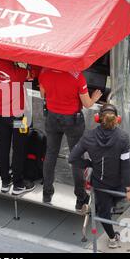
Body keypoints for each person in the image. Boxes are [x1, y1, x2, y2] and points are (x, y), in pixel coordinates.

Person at [68, 104, 130, 248]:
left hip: (99, 185)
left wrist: (89, 163)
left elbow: (72, 158)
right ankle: (109, 208)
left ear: (97, 119)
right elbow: (125, 165)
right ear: (117, 119)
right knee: (114, 202)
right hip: (118, 185)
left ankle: (112, 238)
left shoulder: (88, 136)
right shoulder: (123, 138)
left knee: (103, 213)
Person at [39, 68, 102, 210]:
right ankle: (80, 198)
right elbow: (87, 104)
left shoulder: (44, 72)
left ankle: (47, 192)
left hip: (52, 116)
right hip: (72, 120)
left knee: (50, 154)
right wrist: (95, 98)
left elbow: (43, 93)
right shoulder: (77, 76)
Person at [0, 58, 34, 195]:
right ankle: (18, 184)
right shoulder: (17, 71)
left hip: (1, 115)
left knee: (4, 146)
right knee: (19, 148)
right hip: (19, 117)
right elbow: (31, 75)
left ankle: (5, 182)